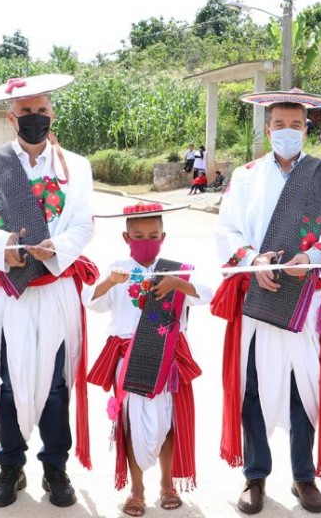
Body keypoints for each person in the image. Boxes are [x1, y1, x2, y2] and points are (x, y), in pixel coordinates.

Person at [0, 74, 97, 508]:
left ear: (52, 115)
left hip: (54, 287)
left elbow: (84, 224)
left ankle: (55, 467)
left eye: (42, 112)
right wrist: (4, 250)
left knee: (55, 383)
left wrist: (58, 247)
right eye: (26, 113)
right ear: (11, 117)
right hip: (8, 290)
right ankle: (10, 466)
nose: (35, 119)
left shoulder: (76, 167)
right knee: (10, 382)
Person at [212, 88, 321, 515]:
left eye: (296, 125)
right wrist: (253, 260)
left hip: (305, 303)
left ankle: (303, 477)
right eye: (280, 125)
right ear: (268, 128)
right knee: (252, 389)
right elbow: (226, 233)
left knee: (302, 390)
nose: (288, 132)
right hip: (258, 297)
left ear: (306, 128)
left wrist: (311, 258)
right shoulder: (245, 176)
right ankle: (255, 477)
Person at [85, 201, 212, 517]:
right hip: (128, 357)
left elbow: (209, 294)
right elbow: (90, 301)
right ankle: (137, 488)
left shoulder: (176, 269)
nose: (146, 242)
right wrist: (109, 282)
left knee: (168, 422)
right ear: (126, 238)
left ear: (163, 236)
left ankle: (167, 485)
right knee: (129, 423)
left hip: (167, 356)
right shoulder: (118, 269)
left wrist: (178, 284)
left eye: (153, 235)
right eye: (139, 236)